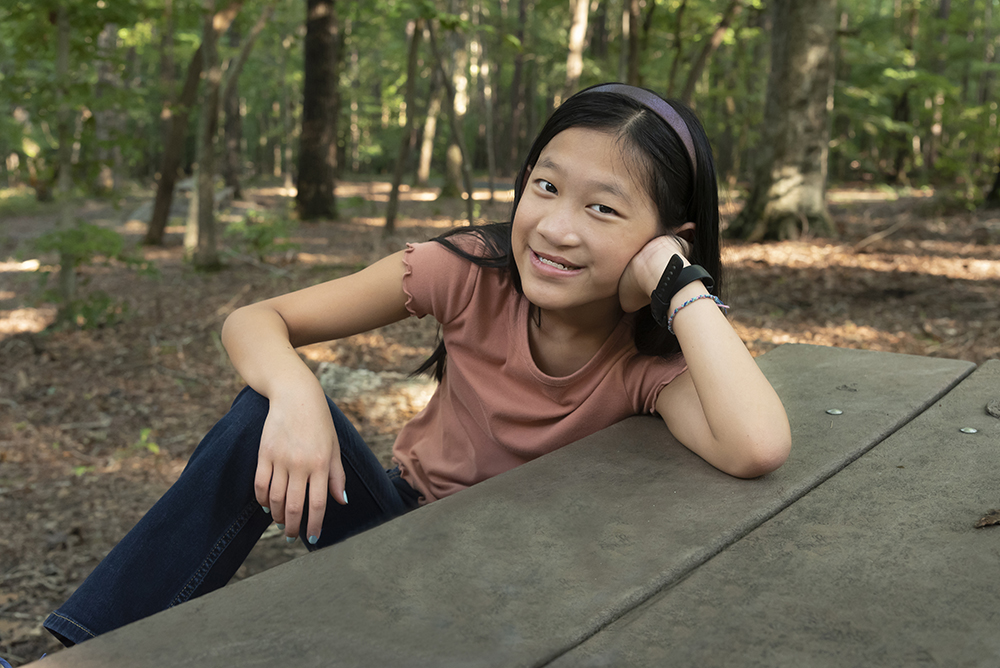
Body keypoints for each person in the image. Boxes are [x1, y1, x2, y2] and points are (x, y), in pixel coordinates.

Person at [43, 83, 791, 647]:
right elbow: (255, 320)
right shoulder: (465, 272)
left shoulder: (644, 366)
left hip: (525, 599)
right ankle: (77, 655)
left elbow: (758, 445)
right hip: (400, 532)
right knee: (255, 419)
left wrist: (677, 284)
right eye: (546, 186)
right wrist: (298, 394)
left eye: (604, 209)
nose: (556, 229)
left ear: (670, 240)